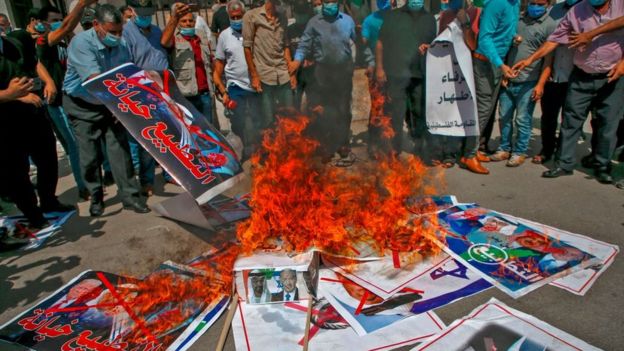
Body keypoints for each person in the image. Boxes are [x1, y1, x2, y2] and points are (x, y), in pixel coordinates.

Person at [513, 0, 624, 184]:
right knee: (571, 121)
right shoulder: (577, 11)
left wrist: (592, 35)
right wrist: (530, 60)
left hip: (612, 76)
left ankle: (602, 165)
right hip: (582, 75)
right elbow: (554, 40)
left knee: (607, 124)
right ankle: (564, 164)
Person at [63, 4, 150, 216]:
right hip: (82, 104)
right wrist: (116, 103)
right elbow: (95, 81)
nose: (117, 36)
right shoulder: (81, 44)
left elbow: (127, 74)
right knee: (90, 156)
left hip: (111, 103)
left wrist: (125, 103)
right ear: (96, 25)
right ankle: (96, 197)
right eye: (112, 32)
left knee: (120, 151)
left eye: (120, 31)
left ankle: (130, 196)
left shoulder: (122, 43)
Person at [0, 29, 74, 228]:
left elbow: (34, 63)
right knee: (17, 172)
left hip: (33, 114)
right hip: (6, 124)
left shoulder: (12, 44)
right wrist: (9, 94)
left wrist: (49, 81)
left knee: (48, 159)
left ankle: (49, 201)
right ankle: (33, 214)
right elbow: (10, 92)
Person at [36, 3, 96, 202]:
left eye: (60, 19)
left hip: (74, 97)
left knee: (85, 141)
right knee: (74, 144)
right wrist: (82, 4)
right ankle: (84, 186)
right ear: (42, 24)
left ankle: (91, 180)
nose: (59, 23)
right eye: (54, 20)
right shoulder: (44, 42)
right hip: (58, 102)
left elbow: (69, 31)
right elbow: (67, 27)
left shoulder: (66, 42)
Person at [488, 0, 556, 167]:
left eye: (540, 4)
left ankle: (519, 151)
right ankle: (504, 148)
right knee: (504, 117)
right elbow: (505, 49)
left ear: (547, 4)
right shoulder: (517, 20)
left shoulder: (550, 25)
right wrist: (504, 72)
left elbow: (548, 60)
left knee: (522, 119)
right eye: (533, 2)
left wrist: (540, 84)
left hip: (529, 82)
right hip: (509, 79)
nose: (535, 6)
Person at [290, 0, 357, 166]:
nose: (329, 4)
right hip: (322, 72)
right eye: (326, 1)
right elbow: (304, 44)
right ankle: (326, 145)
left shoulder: (348, 21)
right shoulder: (314, 23)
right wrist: (296, 62)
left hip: (342, 72)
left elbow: (354, 43)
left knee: (343, 110)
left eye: (332, 1)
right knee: (323, 110)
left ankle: (343, 146)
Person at [375, 0, 436, 155]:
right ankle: (395, 147)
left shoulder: (429, 19)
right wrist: (380, 69)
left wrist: (430, 47)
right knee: (396, 113)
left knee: (419, 111)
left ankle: (419, 145)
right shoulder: (393, 16)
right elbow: (380, 42)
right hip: (396, 73)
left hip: (420, 74)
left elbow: (435, 45)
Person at [123, 0, 170, 197]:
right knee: (149, 140)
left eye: (148, 13)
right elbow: (126, 66)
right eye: (141, 13)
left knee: (169, 136)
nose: (146, 17)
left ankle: (170, 173)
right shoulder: (125, 33)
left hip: (164, 90)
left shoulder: (157, 30)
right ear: (132, 11)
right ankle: (147, 180)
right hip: (142, 93)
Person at [531, 0, 581, 165]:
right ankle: (547, 149)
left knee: (571, 118)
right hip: (552, 75)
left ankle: (563, 152)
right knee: (549, 117)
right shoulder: (554, 10)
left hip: (576, 75)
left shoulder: (588, 10)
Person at [213, 0, 262, 160]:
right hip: (235, 86)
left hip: (256, 85)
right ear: (228, 17)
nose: (236, 20)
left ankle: (259, 152)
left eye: (239, 16)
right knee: (238, 122)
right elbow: (219, 65)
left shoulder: (256, 31)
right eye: (233, 17)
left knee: (258, 120)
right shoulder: (224, 36)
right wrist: (222, 90)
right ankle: (243, 153)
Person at [242, 0, 295, 132]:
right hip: (264, 75)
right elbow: (247, 48)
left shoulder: (282, 17)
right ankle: (271, 149)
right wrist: (254, 75)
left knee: (289, 116)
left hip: (283, 73)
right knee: (268, 119)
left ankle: (288, 148)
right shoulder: (251, 16)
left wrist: (292, 74)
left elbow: (286, 46)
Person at [162, 3, 215, 125]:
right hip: (186, 94)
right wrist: (174, 18)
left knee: (207, 128)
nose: (188, 24)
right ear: (178, 23)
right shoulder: (174, 38)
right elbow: (164, 42)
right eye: (184, 21)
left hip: (205, 92)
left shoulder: (201, 36)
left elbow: (210, 62)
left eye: (190, 21)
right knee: (190, 129)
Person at [287, 0, 316, 109]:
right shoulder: (290, 30)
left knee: (313, 103)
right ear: (294, 14)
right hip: (296, 72)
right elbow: (287, 51)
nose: (301, 16)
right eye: (299, 13)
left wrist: (312, 61)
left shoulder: (312, 28)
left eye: (303, 13)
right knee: (295, 103)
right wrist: (291, 72)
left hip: (312, 71)